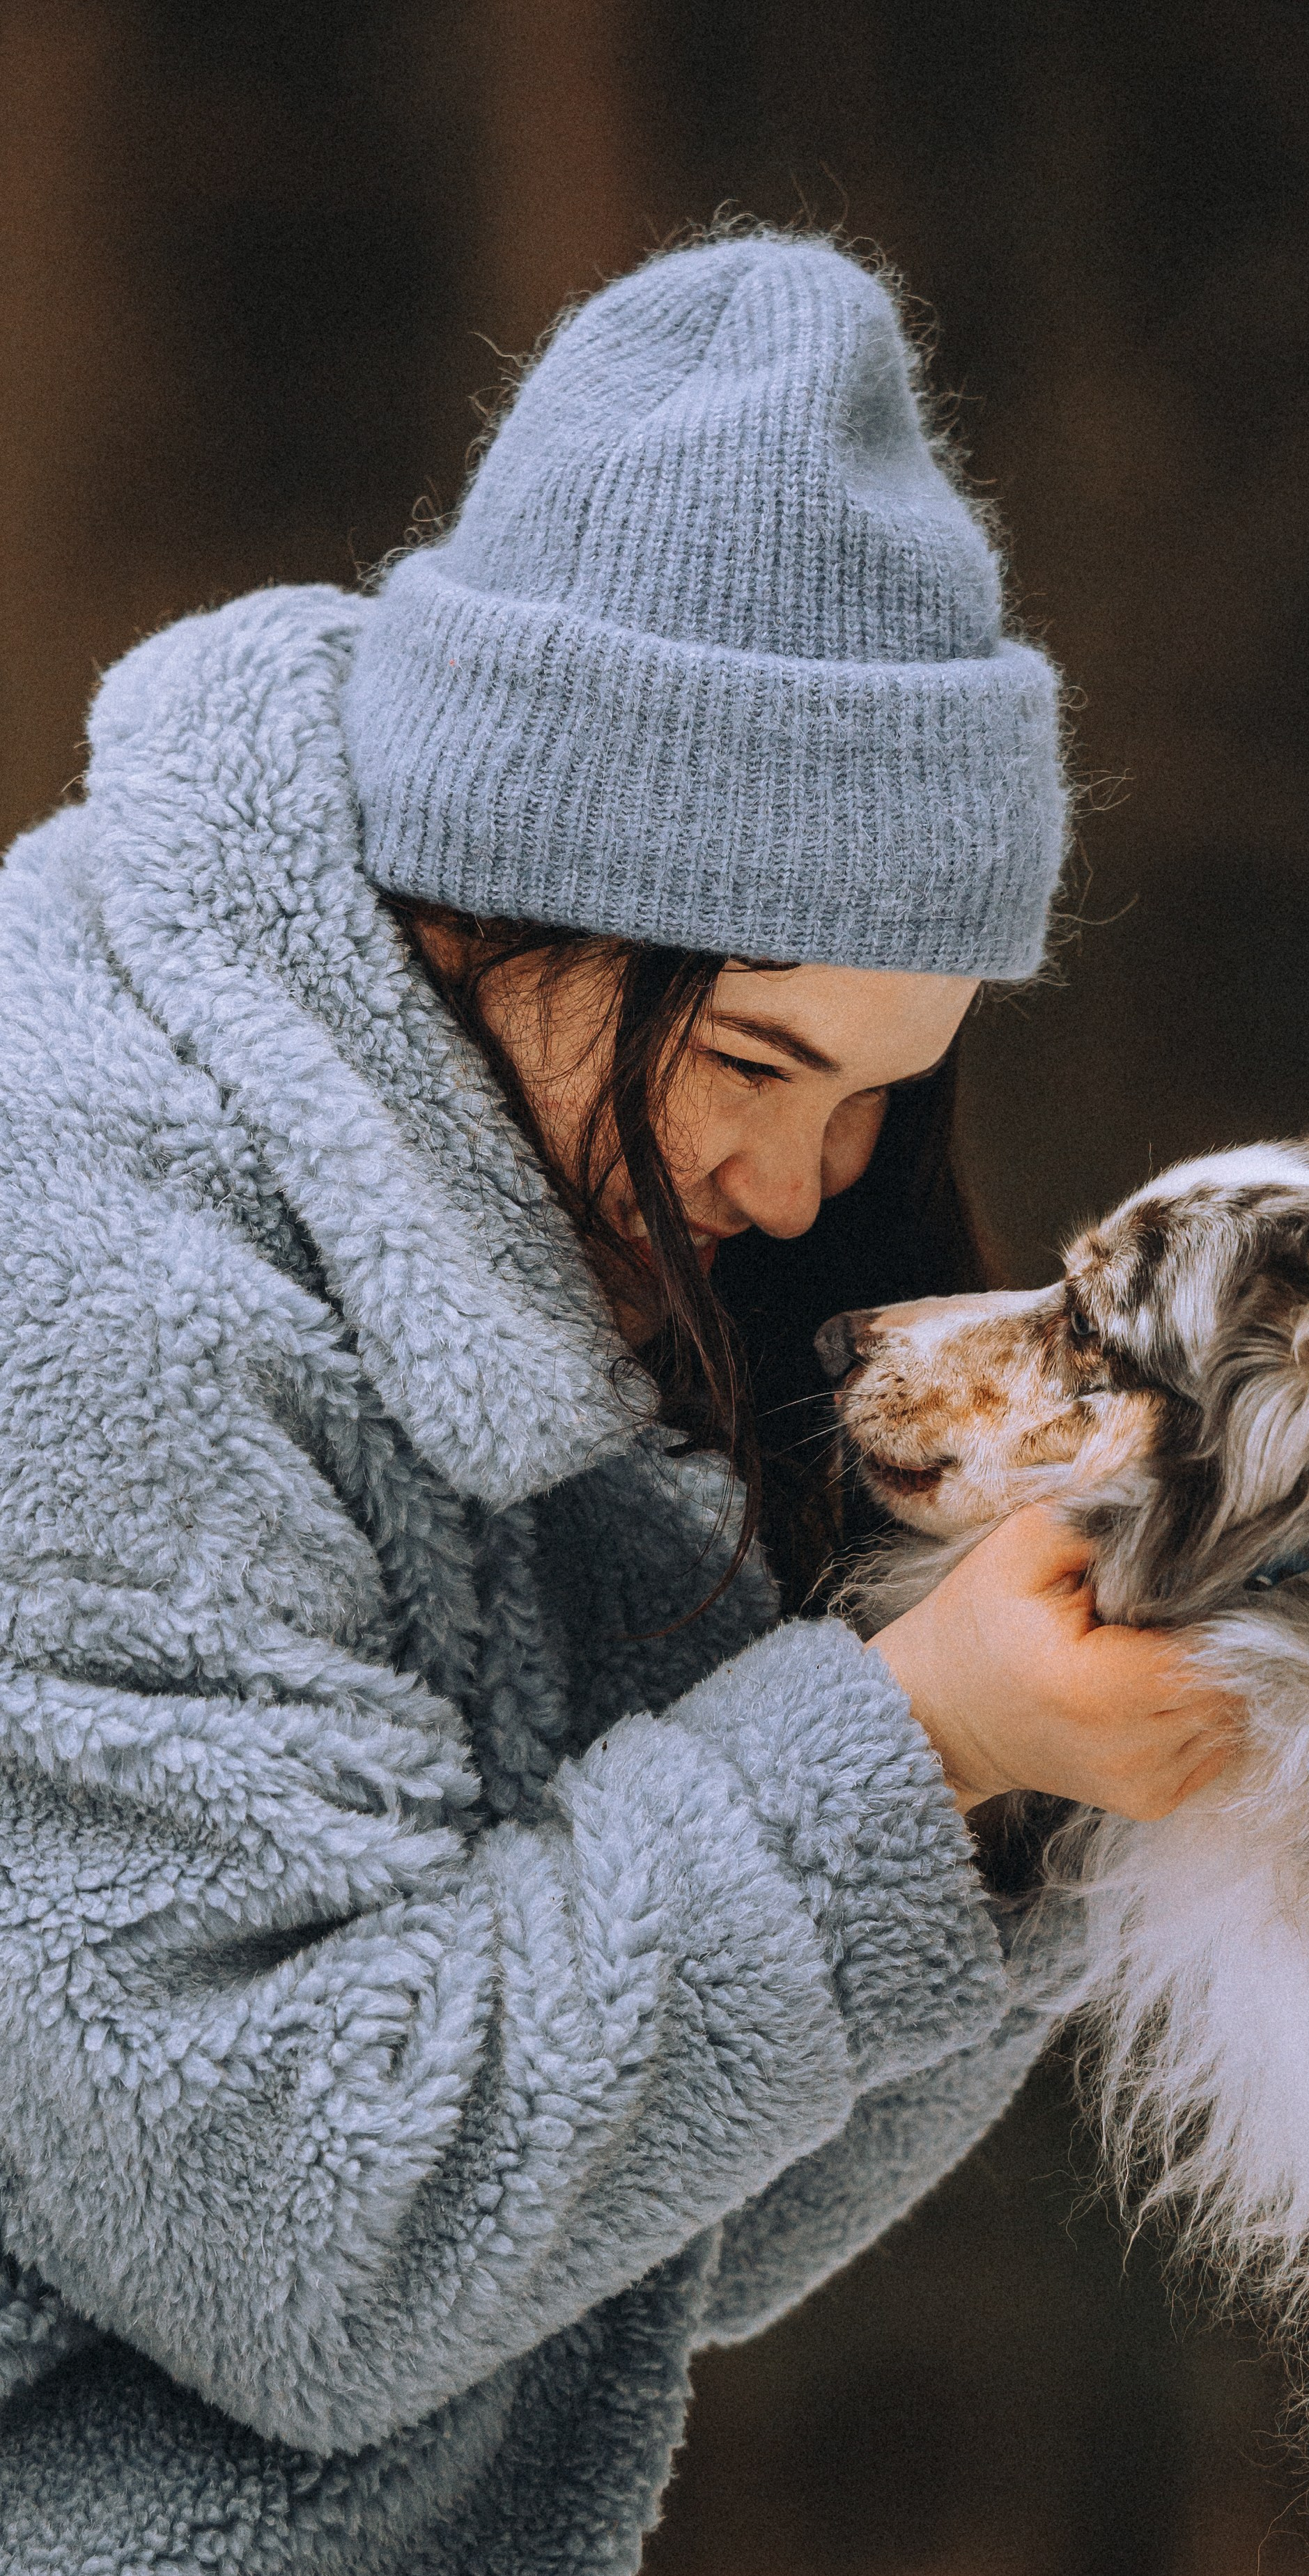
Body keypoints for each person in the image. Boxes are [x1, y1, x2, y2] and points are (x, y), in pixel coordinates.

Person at [0, 231, 1230, 2572]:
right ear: (497, 893)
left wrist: (1019, 1788)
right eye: (754, 1056)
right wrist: (916, 1742)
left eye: (882, 1093)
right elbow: (301, 2232)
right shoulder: (76, 1270)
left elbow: (631, 2263)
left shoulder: (487, 1217)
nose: (797, 1178)